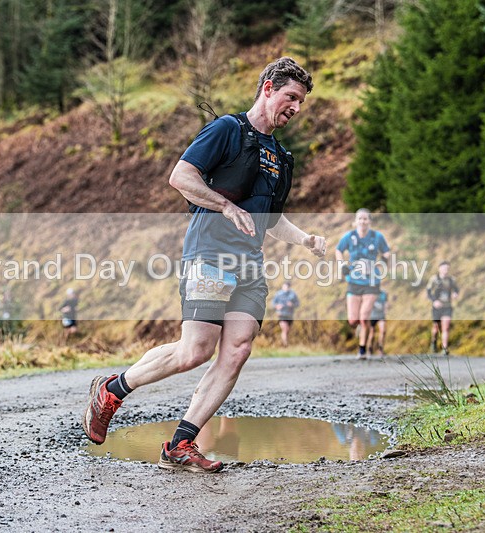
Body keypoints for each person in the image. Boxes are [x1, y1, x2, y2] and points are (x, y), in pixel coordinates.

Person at [82, 57, 325, 473]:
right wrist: (223, 204)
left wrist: (304, 238)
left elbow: (270, 219)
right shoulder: (228, 130)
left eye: (301, 102)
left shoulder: (282, 158)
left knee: (238, 350)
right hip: (209, 254)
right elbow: (182, 176)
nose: (296, 108)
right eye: (291, 97)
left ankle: (181, 443)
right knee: (195, 351)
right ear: (268, 88)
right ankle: (112, 388)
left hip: (249, 264)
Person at [335, 208, 390, 359]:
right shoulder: (349, 236)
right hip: (354, 281)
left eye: (365, 219)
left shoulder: (377, 237)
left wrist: (380, 264)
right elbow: (338, 250)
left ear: (370, 221)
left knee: (364, 317)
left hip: (372, 282)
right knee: (353, 320)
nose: (363, 221)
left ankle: (362, 349)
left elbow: (386, 253)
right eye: (360, 218)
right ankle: (360, 327)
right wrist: (342, 265)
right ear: (355, 221)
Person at [427, 261, 460, 355]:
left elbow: (456, 289)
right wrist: (434, 301)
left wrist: (455, 293)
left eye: (447, 268)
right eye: (444, 268)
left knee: (446, 327)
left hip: (447, 307)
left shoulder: (451, 280)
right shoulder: (434, 279)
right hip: (437, 307)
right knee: (436, 327)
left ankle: (444, 348)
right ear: (439, 268)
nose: (446, 270)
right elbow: (428, 292)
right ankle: (433, 342)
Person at [272, 282, 300, 347]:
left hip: (290, 315)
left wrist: (292, 305)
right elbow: (273, 303)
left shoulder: (293, 294)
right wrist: (277, 306)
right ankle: (285, 345)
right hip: (281, 314)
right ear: (282, 287)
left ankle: (284, 342)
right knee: (285, 329)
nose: (285, 289)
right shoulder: (278, 294)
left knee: (287, 331)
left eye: (287, 287)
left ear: (289, 288)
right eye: (284, 287)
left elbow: (297, 304)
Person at [366, 288, 388, 356]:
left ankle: (380, 349)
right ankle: (369, 348)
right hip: (372, 315)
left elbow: (386, 303)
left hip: (381, 315)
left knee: (383, 331)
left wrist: (386, 311)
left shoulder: (384, 293)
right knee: (372, 333)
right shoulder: (370, 293)